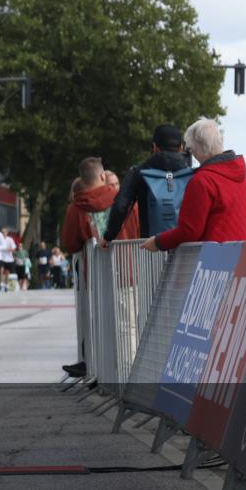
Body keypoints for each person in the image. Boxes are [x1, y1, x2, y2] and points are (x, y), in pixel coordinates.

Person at [61, 157, 140, 377]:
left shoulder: (77, 207)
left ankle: (101, 374)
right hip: (126, 270)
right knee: (127, 327)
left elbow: (70, 242)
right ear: (103, 176)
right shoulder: (125, 201)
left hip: (95, 278)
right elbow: (138, 229)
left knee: (99, 327)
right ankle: (127, 376)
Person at [142, 118, 246, 252]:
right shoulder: (240, 176)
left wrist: (158, 241)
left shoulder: (202, 181)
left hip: (214, 260)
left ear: (196, 148)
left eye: (191, 148)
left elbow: (190, 230)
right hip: (242, 254)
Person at [104, 124, 193, 243]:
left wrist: (108, 237)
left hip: (150, 248)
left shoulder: (139, 172)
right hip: (187, 246)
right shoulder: (193, 174)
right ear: (181, 147)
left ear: (155, 147)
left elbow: (121, 207)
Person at [0, 227, 16, 292]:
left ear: (7, 233)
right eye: (2, 232)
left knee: (7, 273)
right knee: (1, 270)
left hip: (9, 259)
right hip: (1, 258)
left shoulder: (10, 240)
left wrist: (8, 249)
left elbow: (14, 249)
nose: (3, 233)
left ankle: (6, 285)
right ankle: (1, 284)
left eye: (4, 232)